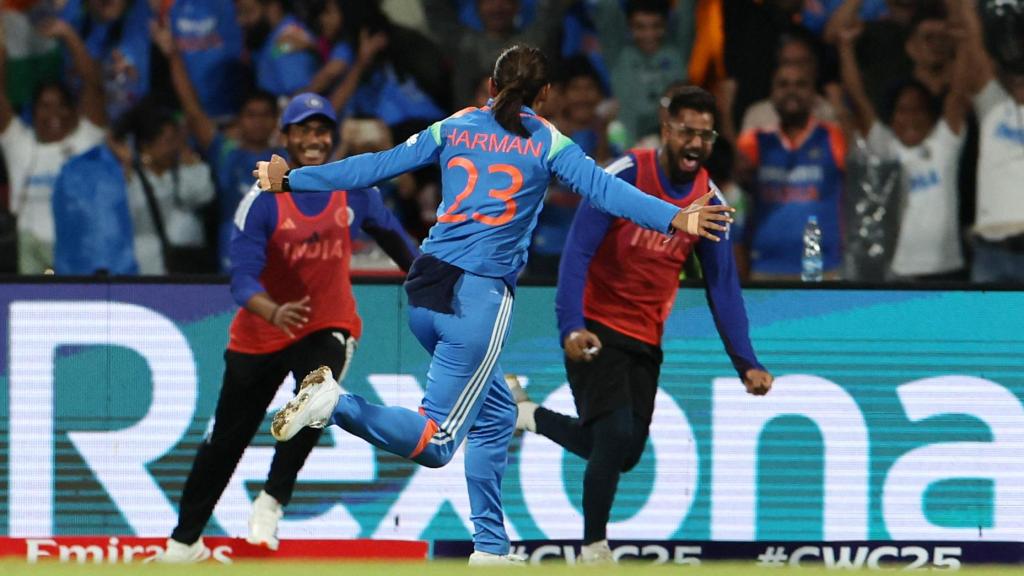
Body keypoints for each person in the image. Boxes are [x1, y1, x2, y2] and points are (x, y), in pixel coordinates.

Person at [254, 45, 734, 565]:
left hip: (425, 288)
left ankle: (490, 549)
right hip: (477, 302)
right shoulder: (548, 141)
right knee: (437, 443)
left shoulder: (456, 125)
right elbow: (605, 191)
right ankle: (337, 405)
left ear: (491, 86)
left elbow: (376, 166)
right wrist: (674, 217)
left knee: (497, 413)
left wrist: (291, 180)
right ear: (544, 95)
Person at [511, 87, 773, 564]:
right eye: (687, 132)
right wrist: (571, 327)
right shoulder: (626, 175)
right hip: (595, 326)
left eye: (705, 135)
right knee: (613, 435)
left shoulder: (710, 202)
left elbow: (723, 288)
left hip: (646, 338)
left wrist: (746, 363)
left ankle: (527, 415)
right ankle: (593, 550)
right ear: (666, 129)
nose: (695, 144)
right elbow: (577, 253)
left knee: (625, 452)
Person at [160, 92, 419, 562]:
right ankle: (184, 543)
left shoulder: (355, 190)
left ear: (332, 137)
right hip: (261, 331)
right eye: (303, 131)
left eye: (321, 130)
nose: (313, 140)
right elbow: (241, 279)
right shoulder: (261, 201)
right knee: (225, 441)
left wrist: (433, 282)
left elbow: (399, 243)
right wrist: (272, 310)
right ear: (286, 137)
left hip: (327, 323)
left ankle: (272, 500)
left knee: (317, 396)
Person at [837, 8, 969, 279]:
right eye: (903, 111)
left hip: (946, 268)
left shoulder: (944, 143)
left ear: (931, 116)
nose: (911, 118)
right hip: (897, 270)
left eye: (918, 110)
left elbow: (958, 94)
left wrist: (964, 44)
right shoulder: (885, 145)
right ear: (892, 117)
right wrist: (846, 47)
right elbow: (858, 97)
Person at [0, 15, 106, 273]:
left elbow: (93, 85)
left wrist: (69, 36)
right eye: (45, 106)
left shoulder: (86, 141)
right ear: (33, 111)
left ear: (73, 111)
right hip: (31, 254)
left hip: (79, 254)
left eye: (61, 105)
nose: (53, 114)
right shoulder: (20, 144)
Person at [736, 58, 847, 280]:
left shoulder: (832, 136)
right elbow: (735, 189)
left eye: (800, 84)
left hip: (821, 267)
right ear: (772, 93)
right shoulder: (755, 140)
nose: (791, 91)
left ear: (813, 93)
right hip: (766, 267)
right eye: (783, 84)